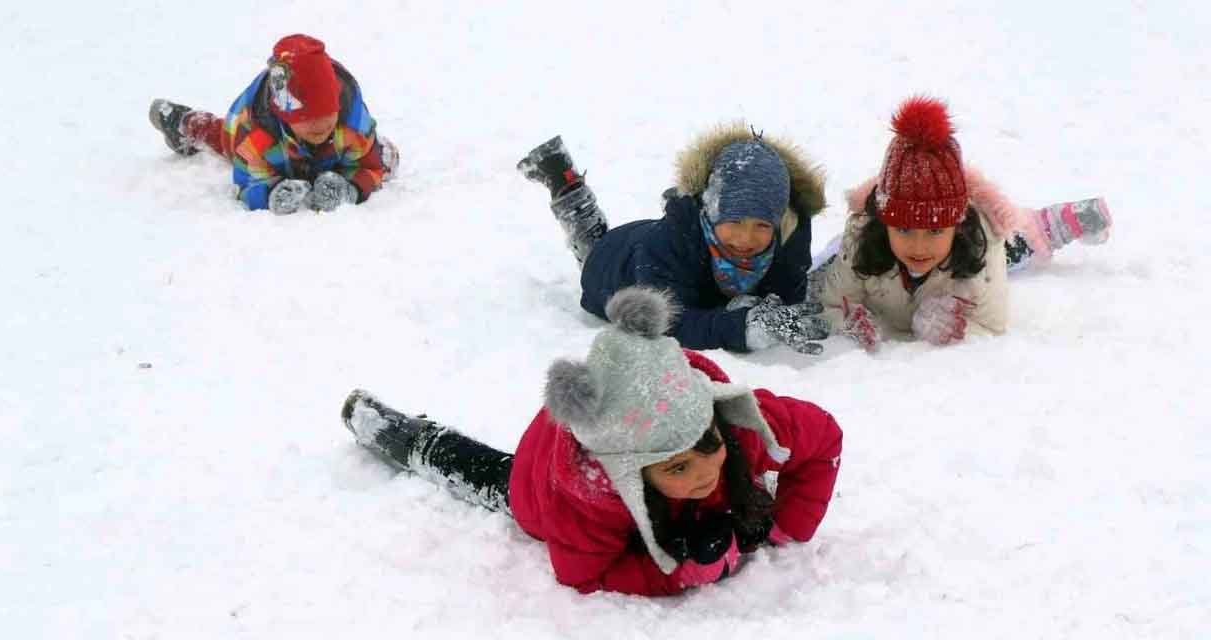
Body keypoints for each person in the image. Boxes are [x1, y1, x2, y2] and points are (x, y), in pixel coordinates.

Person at [342, 287, 843, 596]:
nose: (704, 472)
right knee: (492, 476)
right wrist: (677, 573)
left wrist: (784, 527)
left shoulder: (733, 422)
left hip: (624, 414)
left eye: (706, 446)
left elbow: (824, 440)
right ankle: (402, 436)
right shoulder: (587, 498)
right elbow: (584, 575)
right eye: (675, 468)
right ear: (632, 473)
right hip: (542, 479)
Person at [812, 96, 1112, 349]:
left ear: (956, 224)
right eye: (903, 229)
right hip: (874, 250)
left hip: (971, 250)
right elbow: (831, 306)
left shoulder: (981, 243)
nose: (918, 246)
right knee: (829, 264)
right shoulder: (861, 237)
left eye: (934, 230)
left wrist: (953, 329)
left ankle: (1047, 226)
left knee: (1013, 247)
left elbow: (992, 324)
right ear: (884, 222)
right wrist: (852, 323)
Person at [516, 124, 830, 354]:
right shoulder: (671, 242)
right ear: (710, 210)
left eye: (762, 225)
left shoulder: (790, 233)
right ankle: (566, 184)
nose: (746, 238)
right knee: (592, 245)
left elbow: (788, 294)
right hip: (616, 265)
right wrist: (741, 327)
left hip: (658, 249)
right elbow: (667, 323)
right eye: (733, 221)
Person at [147, 34, 398, 214]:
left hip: (331, 153)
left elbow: (372, 167)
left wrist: (351, 188)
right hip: (261, 139)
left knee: (383, 157)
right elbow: (246, 184)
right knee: (223, 138)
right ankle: (184, 124)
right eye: (307, 118)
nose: (320, 125)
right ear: (286, 116)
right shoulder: (256, 137)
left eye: (326, 114)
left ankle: (374, 151)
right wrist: (271, 194)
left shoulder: (352, 125)